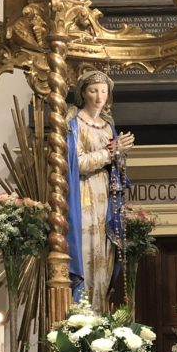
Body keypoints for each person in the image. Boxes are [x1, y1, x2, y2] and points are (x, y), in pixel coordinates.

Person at [66, 70, 134, 313]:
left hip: (105, 195)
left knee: (105, 253)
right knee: (87, 249)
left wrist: (119, 155)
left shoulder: (108, 126)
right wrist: (110, 152)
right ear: (83, 93)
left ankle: (100, 311)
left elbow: (115, 164)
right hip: (84, 193)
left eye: (103, 91)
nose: (99, 97)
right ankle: (82, 312)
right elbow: (77, 162)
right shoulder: (75, 123)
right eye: (93, 91)